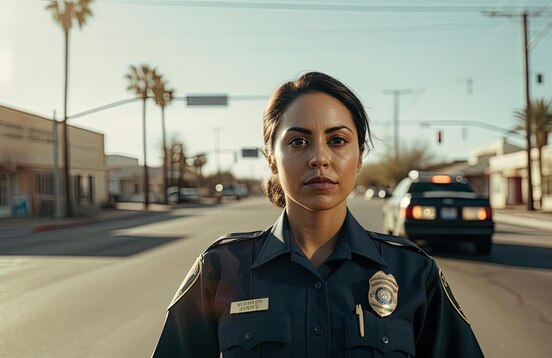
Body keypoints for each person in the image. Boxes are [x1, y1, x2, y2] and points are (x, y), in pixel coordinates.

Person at [153, 72, 484, 357]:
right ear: (270, 158)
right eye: (298, 142)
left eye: (337, 140)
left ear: (359, 157)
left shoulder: (413, 273)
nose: (319, 158)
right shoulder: (221, 268)